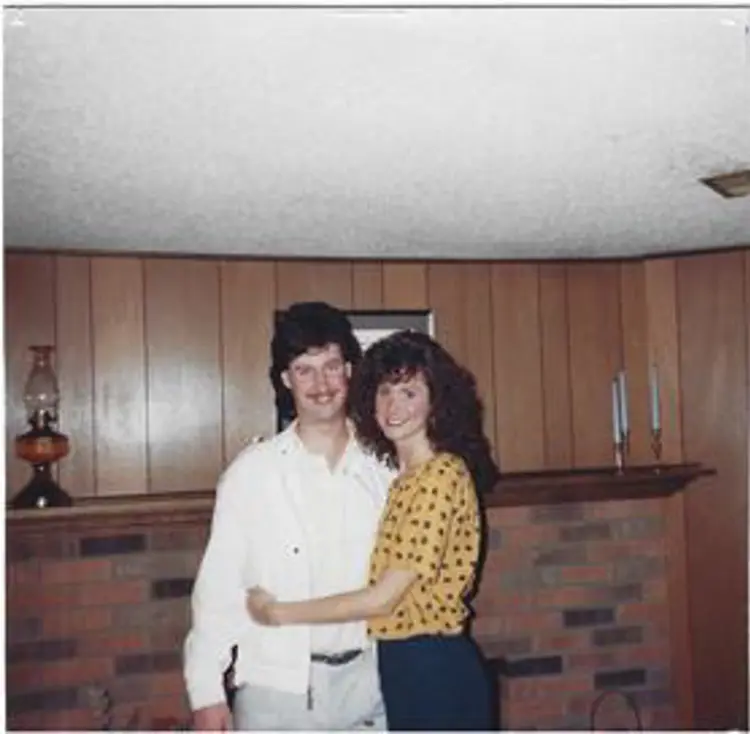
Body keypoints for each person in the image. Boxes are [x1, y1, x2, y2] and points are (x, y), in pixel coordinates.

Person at [247, 329, 500, 731]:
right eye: (384, 391)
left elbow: (383, 599)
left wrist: (277, 612)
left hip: (433, 666)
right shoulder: (403, 478)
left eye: (409, 392)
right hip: (402, 664)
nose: (393, 406)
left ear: (436, 402)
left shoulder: (439, 477)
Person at [183, 301, 394, 731]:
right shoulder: (251, 474)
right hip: (276, 691)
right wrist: (205, 691)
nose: (321, 384)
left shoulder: (385, 467)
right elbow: (218, 590)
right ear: (285, 379)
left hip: (371, 683)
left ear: (349, 370)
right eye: (304, 370)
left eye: (331, 367)